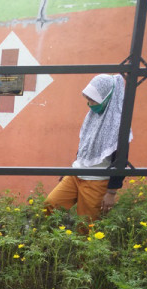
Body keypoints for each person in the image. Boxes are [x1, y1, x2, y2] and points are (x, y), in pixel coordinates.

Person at [45, 74, 131, 222]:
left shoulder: (118, 125)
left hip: (97, 181)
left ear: (106, 97)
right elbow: (84, 149)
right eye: (88, 99)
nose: (90, 104)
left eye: (93, 99)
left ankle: (78, 244)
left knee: (86, 225)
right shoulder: (92, 117)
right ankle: (53, 240)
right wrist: (70, 170)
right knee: (50, 205)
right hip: (75, 175)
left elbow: (121, 161)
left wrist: (111, 192)